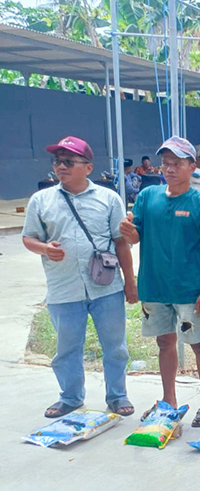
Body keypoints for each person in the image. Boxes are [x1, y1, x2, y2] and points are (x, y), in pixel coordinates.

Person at [22, 136, 137, 418]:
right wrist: (45, 248)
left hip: (106, 287)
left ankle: (117, 395)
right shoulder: (41, 200)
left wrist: (130, 283)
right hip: (63, 288)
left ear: (88, 167)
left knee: (115, 347)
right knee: (67, 348)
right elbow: (28, 237)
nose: (60, 166)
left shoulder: (108, 199)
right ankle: (71, 397)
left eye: (68, 161)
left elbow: (120, 242)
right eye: (57, 161)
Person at [119, 136, 200, 428]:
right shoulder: (147, 197)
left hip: (189, 289)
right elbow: (136, 235)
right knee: (164, 342)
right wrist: (128, 230)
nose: (170, 169)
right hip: (155, 286)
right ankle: (169, 401)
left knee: (198, 343)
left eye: (177, 163)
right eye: (166, 163)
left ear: (192, 167)